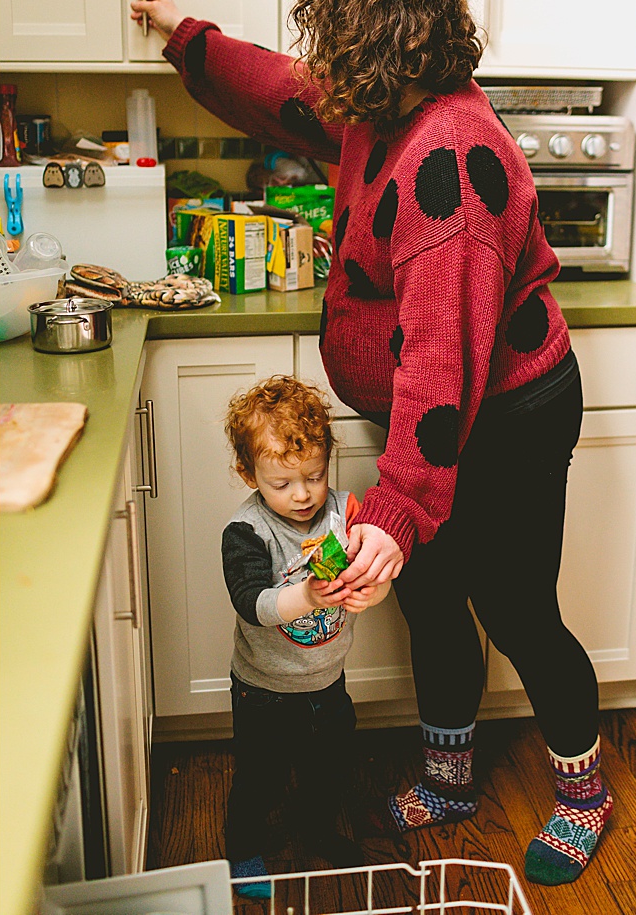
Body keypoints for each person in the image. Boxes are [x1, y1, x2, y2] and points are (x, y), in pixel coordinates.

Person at [133, 0, 608, 887]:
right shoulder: (374, 107)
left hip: (507, 411)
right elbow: (277, 88)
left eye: (331, 27)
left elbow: (443, 360)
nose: (317, 49)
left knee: (517, 608)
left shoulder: (452, 157)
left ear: (371, 32)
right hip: (431, 413)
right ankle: (449, 776)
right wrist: (186, 33)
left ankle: (583, 790)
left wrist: (395, 506)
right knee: (431, 597)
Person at [220, 376, 388, 897]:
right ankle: (243, 846)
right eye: (282, 483)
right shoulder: (247, 532)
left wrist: (369, 591)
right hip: (264, 691)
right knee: (259, 777)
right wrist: (309, 598)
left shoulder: (341, 513)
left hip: (328, 682)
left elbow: (372, 578)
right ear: (249, 475)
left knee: (329, 771)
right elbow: (253, 605)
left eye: (314, 476)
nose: (302, 494)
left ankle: (318, 827)